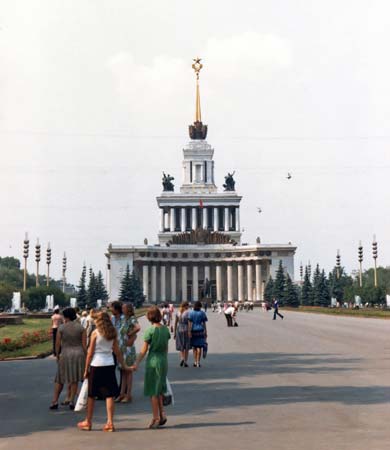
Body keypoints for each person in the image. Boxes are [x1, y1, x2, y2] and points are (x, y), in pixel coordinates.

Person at [77, 312, 131, 432]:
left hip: (96, 364)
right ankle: (110, 422)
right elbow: (117, 352)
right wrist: (124, 365)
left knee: (91, 395)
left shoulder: (95, 333)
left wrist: (86, 369)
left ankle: (88, 421)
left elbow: (90, 353)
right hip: (109, 364)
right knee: (109, 394)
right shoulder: (113, 333)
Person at [131, 307, 170, 429]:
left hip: (153, 361)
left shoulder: (150, 331)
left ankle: (155, 417)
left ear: (149, 318)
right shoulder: (165, 329)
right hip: (163, 360)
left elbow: (143, 350)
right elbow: (166, 348)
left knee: (153, 391)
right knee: (159, 389)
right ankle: (162, 414)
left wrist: (136, 362)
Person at [50, 307, 86, 410]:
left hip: (65, 353)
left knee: (60, 378)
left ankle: (54, 400)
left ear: (65, 316)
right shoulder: (80, 328)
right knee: (74, 379)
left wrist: (57, 355)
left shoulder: (61, 328)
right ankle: (71, 400)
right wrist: (88, 356)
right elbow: (84, 345)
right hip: (78, 353)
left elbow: (58, 344)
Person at [116, 303, 141, 403]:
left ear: (128, 309)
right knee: (123, 371)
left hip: (128, 349)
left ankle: (128, 394)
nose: (122, 309)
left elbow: (138, 327)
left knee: (128, 371)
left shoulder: (132, 319)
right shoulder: (123, 318)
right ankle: (122, 394)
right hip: (122, 347)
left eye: (124, 308)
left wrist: (130, 333)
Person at [188, 301, 208, 367]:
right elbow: (204, 323)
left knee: (194, 347)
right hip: (200, 330)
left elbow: (190, 323)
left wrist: (189, 331)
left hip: (193, 330)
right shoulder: (202, 313)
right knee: (199, 347)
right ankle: (198, 362)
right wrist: (205, 331)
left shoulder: (191, 313)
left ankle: (195, 361)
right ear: (200, 306)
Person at [174, 301, 190, 367]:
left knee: (181, 346)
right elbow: (189, 323)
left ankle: (182, 358)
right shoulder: (188, 312)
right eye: (188, 306)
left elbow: (175, 323)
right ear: (186, 306)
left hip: (179, 329)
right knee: (186, 346)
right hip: (186, 329)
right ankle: (185, 361)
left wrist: (174, 332)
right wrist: (189, 331)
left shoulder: (178, 312)